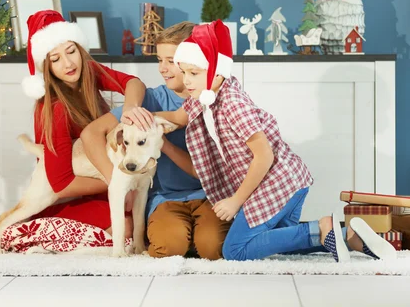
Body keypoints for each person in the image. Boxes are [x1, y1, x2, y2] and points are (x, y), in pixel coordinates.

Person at [155, 20, 397, 262]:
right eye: (184, 72)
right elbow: (178, 117)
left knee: (235, 250)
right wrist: (144, 119)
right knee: (279, 240)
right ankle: (349, 237)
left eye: (193, 73)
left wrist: (235, 200)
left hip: (276, 182)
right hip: (291, 180)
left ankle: (322, 227)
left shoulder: (233, 105)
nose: (186, 80)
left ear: (217, 71)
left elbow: (265, 156)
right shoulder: (205, 93)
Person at [81, 22, 231, 260]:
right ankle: (183, 236)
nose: (163, 68)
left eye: (171, 61)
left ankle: (200, 236)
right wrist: (116, 180)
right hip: (166, 199)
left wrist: (163, 142)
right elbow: (90, 134)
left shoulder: (214, 99)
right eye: (159, 60)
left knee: (213, 249)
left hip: (210, 195)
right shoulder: (150, 100)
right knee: (167, 249)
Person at [19, 9, 152, 238]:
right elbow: (62, 185)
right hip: (73, 193)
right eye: (56, 59)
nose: (68, 63)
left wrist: (129, 107)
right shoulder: (54, 109)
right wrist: (120, 182)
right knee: (126, 228)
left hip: (102, 177)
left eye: (71, 51)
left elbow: (133, 82)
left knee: (145, 214)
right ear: (46, 67)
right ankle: (36, 228)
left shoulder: (89, 72)